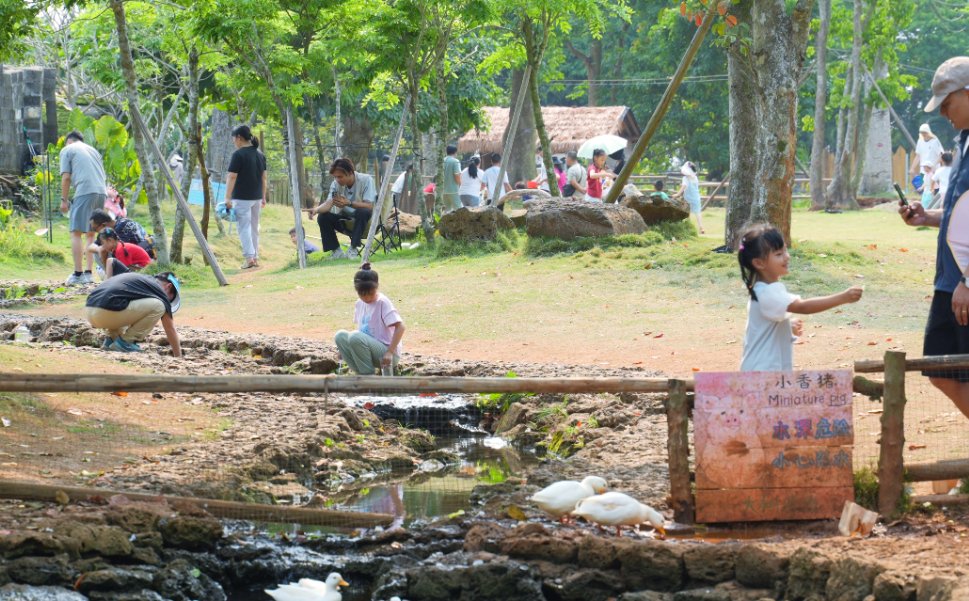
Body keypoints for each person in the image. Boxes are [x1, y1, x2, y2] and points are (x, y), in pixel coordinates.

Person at [899, 56, 969, 419]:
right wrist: (928, 217)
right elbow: (961, 216)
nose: (943, 112)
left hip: (964, 283)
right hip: (949, 281)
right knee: (941, 369)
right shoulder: (962, 144)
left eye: (947, 102)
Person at [737, 224, 863, 371]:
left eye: (785, 250)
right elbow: (803, 307)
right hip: (762, 373)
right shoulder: (768, 293)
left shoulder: (764, 289)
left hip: (761, 370)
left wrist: (786, 326)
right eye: (778, 254)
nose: (787, 257)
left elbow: (765, 326)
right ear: (759, 263)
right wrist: (843, 297)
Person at [85, 271, 182, 356]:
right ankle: (126, 343)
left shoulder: (142, 282)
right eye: (171, 298)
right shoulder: (160, 291)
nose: (168, 301)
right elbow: (170, 328)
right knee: (160, 306)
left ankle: (111, 340)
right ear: (169, 286)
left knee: (122, 301)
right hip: (105, 311)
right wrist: (178, 356)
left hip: (90, 310)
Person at [334, 262, 405, 375]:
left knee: (355, 336)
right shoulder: (359, 303)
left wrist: (390, 352)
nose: (367, 298)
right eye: (362, 294)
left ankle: (368, 376)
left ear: (377, 287)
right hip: (367, 350)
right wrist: (344, 350)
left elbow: (401, 327)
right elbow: (361, 331)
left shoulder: (382, 302)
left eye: (371, 294)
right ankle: (362, 374)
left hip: (387, 354)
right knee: (340, 336)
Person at [60, 131, 107, 286]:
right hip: (101, 192)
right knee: (91, 234)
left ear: (68, 141)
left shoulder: (68, 149)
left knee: (76, 232)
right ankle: (88, 273)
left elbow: (66, 177)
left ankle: (78, 274)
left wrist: (64, 200)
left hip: (85, 191)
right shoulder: (93, 150)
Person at [305, 158, 375, 260]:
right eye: (335, 177)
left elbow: (369, 206)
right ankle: (336, 251)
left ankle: (353, 249)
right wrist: (316, 210)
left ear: (350, 173)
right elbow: (328, 203)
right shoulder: (335, 184)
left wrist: (349, 203)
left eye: (340, 176)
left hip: (365, 221)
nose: (337, 179)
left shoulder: (366, 180)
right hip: (345, 219)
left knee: (363, 211)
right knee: (323, 217)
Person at [224, 125, 267, 270]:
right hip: (257, 197)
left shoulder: (238, 155)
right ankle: (255, 257)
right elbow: (264, 178)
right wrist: (263, 196)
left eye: (233, 139)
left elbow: (232, 176)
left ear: (239, 138)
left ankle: (249, 259)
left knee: (244, 228)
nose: (233, 142)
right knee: (254, 227)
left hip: (242, 197)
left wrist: (227, 198)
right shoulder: (260, 154)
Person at [87, 227, 152, 279]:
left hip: (145, 272)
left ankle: (109, 285)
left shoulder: (120, 250)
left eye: (103, 243)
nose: (103, 246)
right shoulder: (118, 247)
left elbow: (123, 273)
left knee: (110, 261)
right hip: (139, 270)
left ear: (110, 240)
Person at [89, 209, 154, 259]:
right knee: (100, 250)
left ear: (103, 225)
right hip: (138, 254)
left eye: (95, 229)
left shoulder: (121, 228)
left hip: (145, 257)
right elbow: (91, 247)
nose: (95, 232)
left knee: (105, 252)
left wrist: (101, 249)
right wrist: (98, 249)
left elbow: (121, 252)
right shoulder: (115, 223)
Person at [674, 161, 704, 234]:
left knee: (687, 212)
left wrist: (677, 194)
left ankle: (688, 227)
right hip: (696, 197)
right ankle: (701, 228)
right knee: (698, 213)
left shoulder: (685, 178)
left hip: (688, 198)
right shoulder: (695, 178)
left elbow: (684, 186)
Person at [442, 145, 462, 211]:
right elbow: (457, 175)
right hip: (453, 190)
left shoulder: (442, 160)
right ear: (455, 152)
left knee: (447, 210)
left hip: (443, 190)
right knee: (459, 210)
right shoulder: (455, 161)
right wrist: (460, 184)